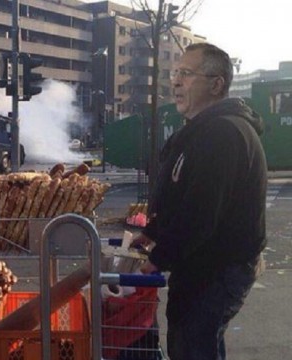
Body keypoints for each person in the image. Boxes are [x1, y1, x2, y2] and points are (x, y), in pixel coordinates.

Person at [130, 43, 267, 360]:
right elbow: (185, 192)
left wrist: (159, 257)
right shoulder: (204, 131)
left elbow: (201, 212)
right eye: (175, 73)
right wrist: (155, 231)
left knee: (193, 343)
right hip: (204, 265)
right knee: (193, 340)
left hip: (217, 268)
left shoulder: (222, 133)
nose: (175, 82)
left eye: (186, 74)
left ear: (216, 84)